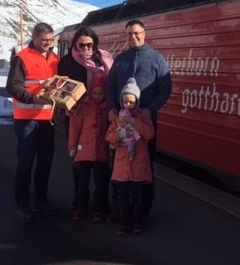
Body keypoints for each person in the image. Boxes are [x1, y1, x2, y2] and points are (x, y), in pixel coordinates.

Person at [107, 19, 172, 228]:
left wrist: (150, 109)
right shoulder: (121, 60)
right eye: (129, 34)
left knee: (145, 167)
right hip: (121, 122)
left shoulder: (157, 59)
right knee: (118, 164)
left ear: (144, 33)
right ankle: (120, 207)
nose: (133, 37)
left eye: (136, 33)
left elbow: (166, 88)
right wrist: (111, 108)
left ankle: (143, 211)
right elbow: (110, 86)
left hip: (145, 124)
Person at [6, 22, 59, 223]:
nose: (48, 43)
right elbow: (12, 87)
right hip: (26, 119)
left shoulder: (55, 59)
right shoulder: (22, 58)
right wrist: (32, 98)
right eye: (44, 40)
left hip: (47, 119)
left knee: (46, 161)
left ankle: (41, 200)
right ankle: (22, 203)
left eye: (50, 40)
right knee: (26, 162)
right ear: (35, 38)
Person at [57, 27, 114, 211]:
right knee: (79, 160)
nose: (86, 48)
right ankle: (79, 198)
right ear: (75, 44)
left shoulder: (103, 59)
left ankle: (101, 201)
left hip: (101, 114)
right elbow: (58, 89)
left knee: (102, 159)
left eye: (90, 44)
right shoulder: (66, 62)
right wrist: (64, 106)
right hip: (76, 116)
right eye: (81, 45)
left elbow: (112, 84)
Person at [106, 77, 154, 236]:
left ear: (137, 101)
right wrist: (119, 135)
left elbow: (149, 134)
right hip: (122, 164)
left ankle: (137, 222)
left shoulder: (143, 116)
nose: (128, 105)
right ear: (121, 101)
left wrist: (135, 123)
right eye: (125, 101)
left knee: (136, 196)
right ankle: (124, 223)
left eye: (131, 102)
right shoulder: (117, 117)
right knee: (123, 196)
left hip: (138, 163)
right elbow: (109, 136)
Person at [68, 74, 111, 222]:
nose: (97, 96)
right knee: (82, 181)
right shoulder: (84, 107)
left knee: (101, 182)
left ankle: (99, 209)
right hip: (83, 148)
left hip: (101, 150)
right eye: (95, 93)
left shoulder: (108, 109)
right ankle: (81, 208)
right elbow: (74, 127)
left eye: (101, 93)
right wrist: (72, 146)